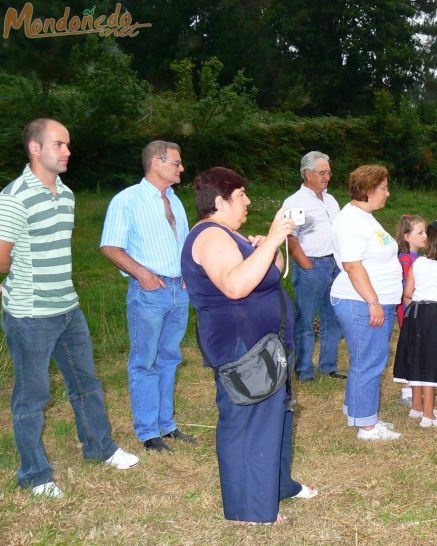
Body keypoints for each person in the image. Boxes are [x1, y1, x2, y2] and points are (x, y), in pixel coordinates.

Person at [0, 118, 138, 498]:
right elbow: (1, 258)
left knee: (86, 384)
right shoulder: (13, 198)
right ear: (35, 148)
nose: (67, 151)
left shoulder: (67, 193)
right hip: (30, 315)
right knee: (32, 397)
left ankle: (100, 447)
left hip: (68, 309)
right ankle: (35, 474)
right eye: (59, 144)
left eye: (67, 144)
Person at [180, 167, 316, 524]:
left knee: (275, 419)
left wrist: (268, 248)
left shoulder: (231, 235)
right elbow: (235, 286)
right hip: (242, 350)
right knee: (248, 423)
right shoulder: (210, 237)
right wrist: (271, 239)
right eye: (241, 195)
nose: (248, 201)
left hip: (265, 346)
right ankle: (249, 510)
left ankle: (276, 486)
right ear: (220, 201)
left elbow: (270, 274)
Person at [100, 140, 193, 452]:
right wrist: (143, 274)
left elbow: (182, 243)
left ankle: (166, 425)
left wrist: (186, 276)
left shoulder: (175, 201)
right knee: (145, 361)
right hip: (149, 293)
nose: (181, 168)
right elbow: (110, 246)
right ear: (157, 162)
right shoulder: (127, 200)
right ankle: (147, 431)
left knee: (170, 358)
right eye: (176, 163)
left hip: (178, 291)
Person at [331, 165, 403, 441]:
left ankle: (358, 411)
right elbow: (352, 265)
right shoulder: (351, 220)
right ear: (370, 190)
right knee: (369, 361)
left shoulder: (365, 217)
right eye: (384, 188)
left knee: (367, 359)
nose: (388, 193)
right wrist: (373, 301)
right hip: (361, 302)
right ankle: (367, 426)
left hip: (371, 301)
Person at [283, 151, 345, 382]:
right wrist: (306, 265)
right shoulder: (294, 202)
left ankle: (328, 367)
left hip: (334, 265)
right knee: (306, 321)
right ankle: (304, 370)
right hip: (312, 265)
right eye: (322, 172)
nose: (327, 176)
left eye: (328, 172)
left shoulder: (330, 200)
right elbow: (290, 237)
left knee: (333, 318)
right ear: (308, 174)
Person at [393, 221, 437, 428]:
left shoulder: (418, 263)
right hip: (436, 314)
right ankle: (428, 415)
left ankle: (417, 406)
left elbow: (408, 293)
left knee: (417, 359)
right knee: (431, 363)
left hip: (415, 313)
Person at [393, 214, 427, 407]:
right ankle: (407, 390)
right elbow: (407, 289)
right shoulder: (406, 260)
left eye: (425, 232)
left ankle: (418, 388)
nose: (425, 236)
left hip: (415, 309)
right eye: (420, 232)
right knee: (410, 346)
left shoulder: (417, 258)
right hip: (408, 310)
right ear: (407, 237)